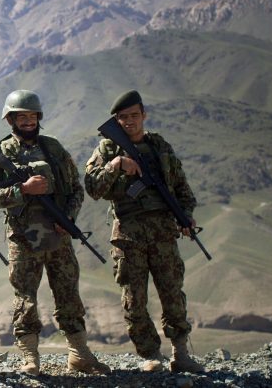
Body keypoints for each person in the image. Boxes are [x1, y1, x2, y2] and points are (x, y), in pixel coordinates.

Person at [0, 90, 110, 376]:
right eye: (21, 116)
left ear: (38, 118)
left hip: (59, 236)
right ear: (10, 120)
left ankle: (79, 353)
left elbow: (76, 188)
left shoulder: (53, 148)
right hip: (23, 239)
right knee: (25, 298)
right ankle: (30, 357)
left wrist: (69, 218)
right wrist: (22, 190)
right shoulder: (1, 153)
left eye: (32, 116)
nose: (28, 121)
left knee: (69, 295)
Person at [84, 90, 203, 373]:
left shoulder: (160, 148)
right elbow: (93, 188)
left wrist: (186, 218)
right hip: (129, 235)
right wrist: (116, 165)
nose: (129, 122)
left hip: (163, 233)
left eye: (134, 116)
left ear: (144, 115)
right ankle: (150, 354)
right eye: (123, 118)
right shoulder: (107, 150)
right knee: (134, 299)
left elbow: (182, 189)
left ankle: (181, 353)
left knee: (173, 293)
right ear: (116, 120)